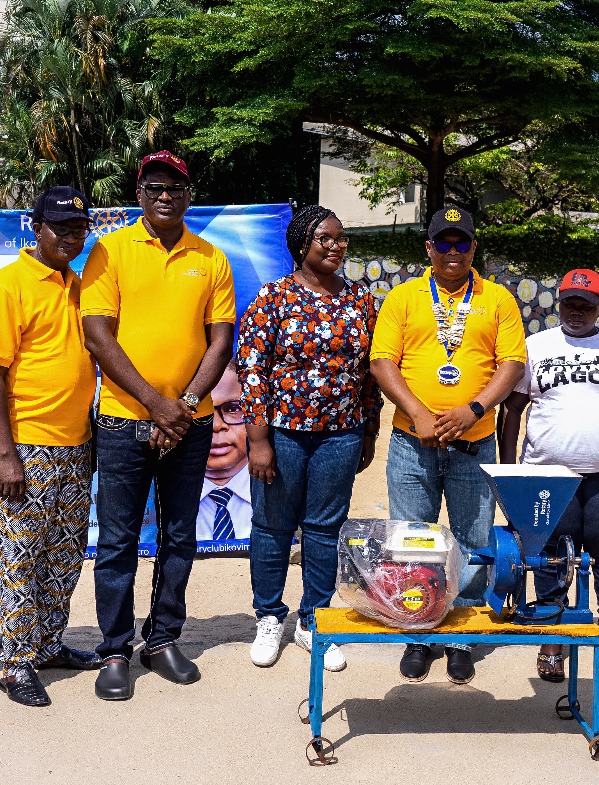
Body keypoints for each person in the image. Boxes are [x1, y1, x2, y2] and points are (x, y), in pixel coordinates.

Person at [80, 150, 235, 700]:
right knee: (118, 539)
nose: (165, 195)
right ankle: (115, 649)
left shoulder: (210, 258)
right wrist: (154, 402)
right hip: (123, 421)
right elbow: (97, 334)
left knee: (179, 535)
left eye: (175, 187)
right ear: (139, 194)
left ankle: (163, 637)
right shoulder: (110, 250)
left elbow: (221, 340)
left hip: (190, 425)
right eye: (154, 187)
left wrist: (185, 404)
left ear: (188, 195)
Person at [370, 206, 525, 684]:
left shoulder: (497, 299)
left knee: (473, 540)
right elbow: (382, 362)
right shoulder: (403, 297)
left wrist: (473, 410)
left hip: (473, 443)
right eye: (443, 242)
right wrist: (418, 412)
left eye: (461, 243)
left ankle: (461, 636)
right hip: (411, 442)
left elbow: (512, 364)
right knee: (413, 538)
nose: (452, 251)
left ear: (474, 248)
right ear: (429, 248)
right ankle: (417, 631)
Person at [498, 268, 599, 685]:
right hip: (548, 476)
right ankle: (553, 639)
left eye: (585, 306)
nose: (576, 311)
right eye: (569, 303)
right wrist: (509, 472)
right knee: (550, 557)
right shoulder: (535, 346)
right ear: (559, 303)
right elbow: (512, 409)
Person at [238, 205, 382, 672]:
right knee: (273, 526)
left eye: (342, 239)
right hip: (282, 434)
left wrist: (369, 428)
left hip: (341, 435)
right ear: (302, 244)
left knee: (324, 528)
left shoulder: (361, 300)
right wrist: (258, 441)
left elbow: (371, 372)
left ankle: (313, 620)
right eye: (327, 238)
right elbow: (253, 371)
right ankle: (269, 617)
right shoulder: (274, 297)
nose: (337, 246)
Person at [0, 186, 101, 707]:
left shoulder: (79, 284)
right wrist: (5, 453)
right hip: (29, 445)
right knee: (22, 559)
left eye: (79, 229)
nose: (70, 237)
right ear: (36, 227)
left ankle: (48, 645)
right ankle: (16, 664)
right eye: (60, 228)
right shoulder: (8, 286)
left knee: (65, 555)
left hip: (77, 444)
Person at [197, 362, 252, 545]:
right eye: (198, 411)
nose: (216, 425)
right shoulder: (155, 499)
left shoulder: (281, 491)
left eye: (233, 408)